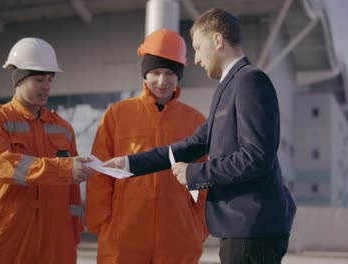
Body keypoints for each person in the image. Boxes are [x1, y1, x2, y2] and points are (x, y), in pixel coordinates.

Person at [104, 9, 296, 264]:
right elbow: (190, 146)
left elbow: (256, 156)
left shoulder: (251, 81)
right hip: (240, 229)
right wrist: (129, 163)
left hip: (253, 229)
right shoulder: (227, 89)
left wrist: (195, 175)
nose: (195, 59)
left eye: (197, 48)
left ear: (217, 41)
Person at [85, 29, 209, 264]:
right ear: (145, 74)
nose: (162, 81)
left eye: (169, 73)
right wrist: (103, 224)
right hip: (124, 235)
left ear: (179, 76)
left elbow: (205, 179)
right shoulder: (117, 114)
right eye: (156, 72)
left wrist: (199, 226)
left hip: (178, 234)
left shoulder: (195, 120)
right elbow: (99, 174)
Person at [0, 37, 93, 263]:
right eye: (39, 79)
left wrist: (74, 229)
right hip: (7, 232)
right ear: (18, 80)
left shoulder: (63, 129)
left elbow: (72, 191)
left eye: (49, 79)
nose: (46, 86)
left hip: (55, 238)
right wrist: (62, 168)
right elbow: (2, 166)